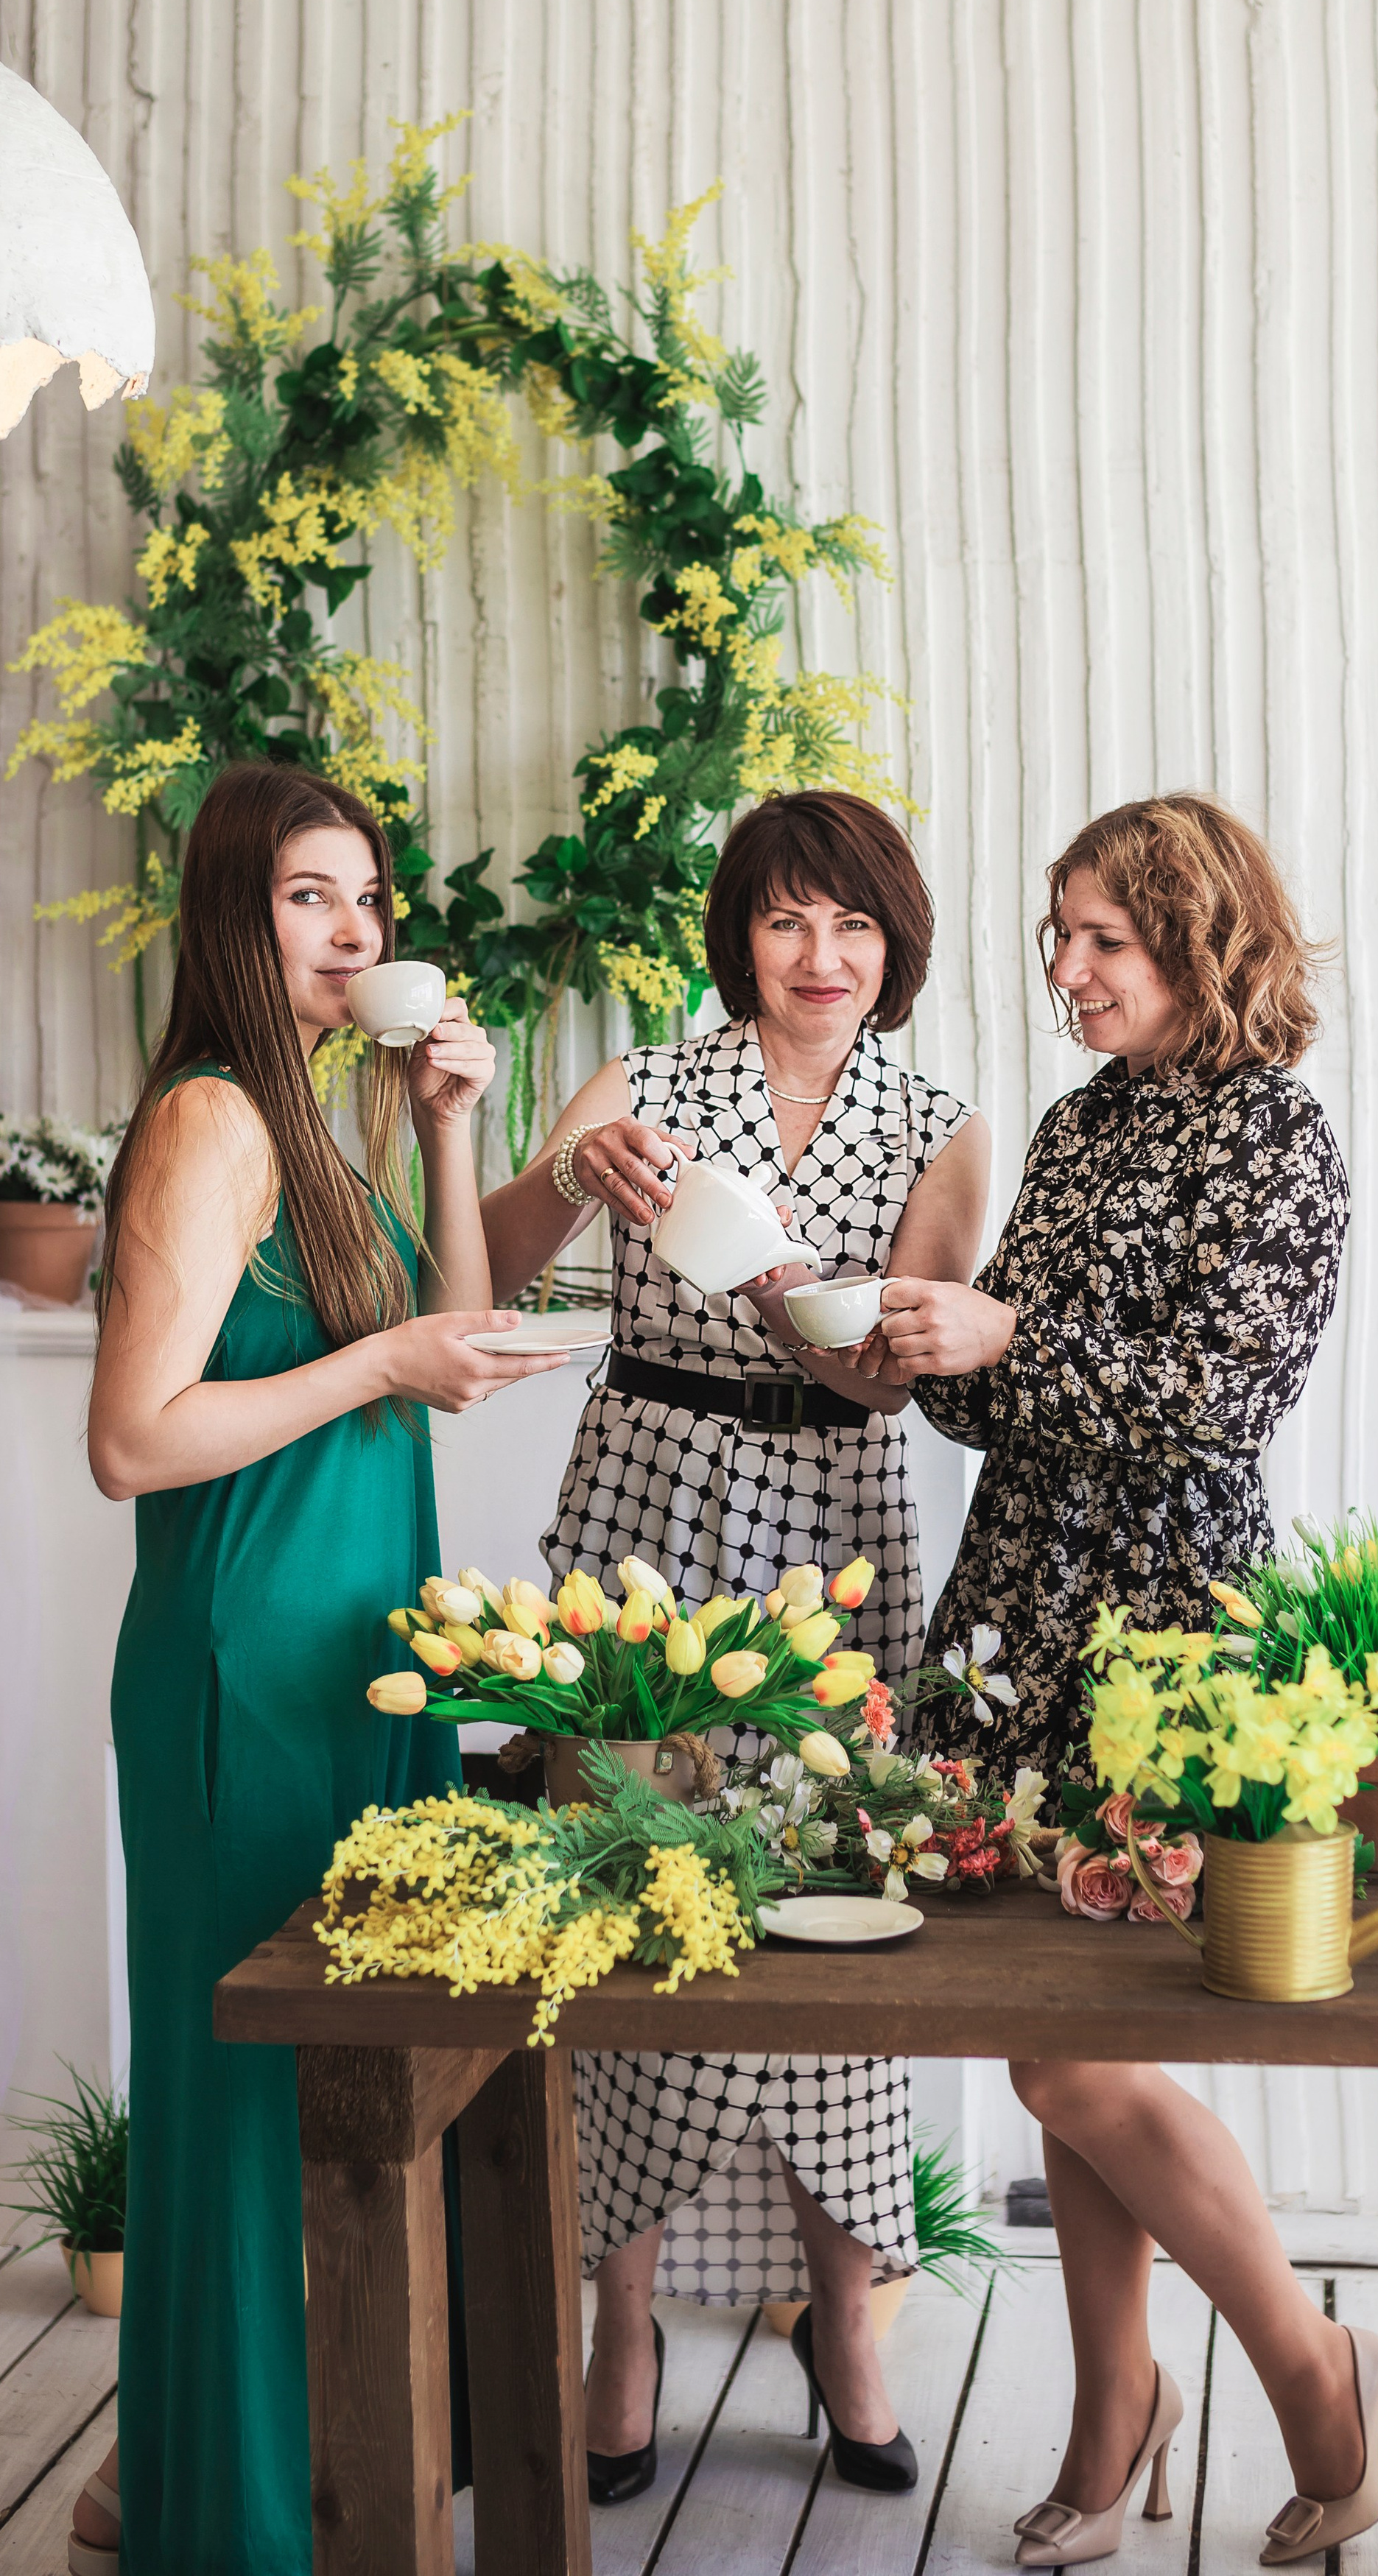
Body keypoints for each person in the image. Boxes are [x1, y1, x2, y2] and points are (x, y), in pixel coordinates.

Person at [870, 796, 1378, 2568]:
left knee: (1074, 2059)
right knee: (1056, 2039)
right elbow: (1000, 1400)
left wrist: (1012, 1338)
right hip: (1017, 1607)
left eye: (1101, 937)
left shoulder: (1275, 1136)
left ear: (1202, 941)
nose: (1065, 966)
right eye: (1057, 933)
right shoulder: (1080, 1121)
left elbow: (1223, 1401)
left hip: (1167, 1631)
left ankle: (1311, 2369)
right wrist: (932, 1342)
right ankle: (1117, 2405)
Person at [67, 763, 568, 2576]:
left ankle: (279, 2486)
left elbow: (450, 1334)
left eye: (367, 896)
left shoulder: (317, 1114)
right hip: (246, 1670)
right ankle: (230, 2521)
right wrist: (377, 1369)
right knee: (245, 2114)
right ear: (232, 913)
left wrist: (448, 1127)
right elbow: (132, 1440)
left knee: (349, 2086)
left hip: (356, 1655)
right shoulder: (214, 1117)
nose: (355, 929)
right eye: (308, 895)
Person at [482, 789, 988, 2504]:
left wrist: (767, 1275)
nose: (818, 954)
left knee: (841, 1906)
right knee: (628, 1898)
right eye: (785, 919)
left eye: (852, 923)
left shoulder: (938, 1126)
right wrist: (568, 1173)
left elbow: (884, 1378)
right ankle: (618, 2323)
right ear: (737, 938)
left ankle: (845, 2318)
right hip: (643, 1501)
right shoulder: (642, 1082)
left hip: (838, 1524)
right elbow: (481, 1270)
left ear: (894, 945)